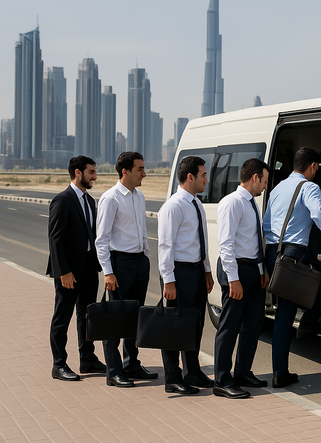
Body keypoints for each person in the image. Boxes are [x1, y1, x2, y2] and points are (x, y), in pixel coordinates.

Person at [263, 147, 321, 388]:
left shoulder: (278, 187)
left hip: (274, 253)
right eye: (317, 167)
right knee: (316, 280)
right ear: (312, 166)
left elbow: (266, 223)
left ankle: (282, 365)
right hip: (293, 254)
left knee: (283, 307)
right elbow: (318, 214)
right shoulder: (309, 187)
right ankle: (280, 371)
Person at [95, 151, 158, 388]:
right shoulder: (111, 198)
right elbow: (101, 240)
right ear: (125, 171)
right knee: (115, 318)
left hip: (140, 261)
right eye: (140, 169)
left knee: (136, 316)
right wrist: (108, 272)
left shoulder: (139, 196)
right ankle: (113, 370)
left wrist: (146, 258)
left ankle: (131, 363)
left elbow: (142, 231)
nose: (144, 173)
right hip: (120, 263)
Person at [213, 158, 271, 399]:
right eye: (265, 181)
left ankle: (242, 372)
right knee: (229, 326)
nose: (266, 186)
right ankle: (222, 380)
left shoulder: (251, 203)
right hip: (236, 270)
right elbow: (226, 244)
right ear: (255, 177)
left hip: (252, 271)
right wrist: (233, 278)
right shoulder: (232, 203)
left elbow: (252, 241)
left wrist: (262, 271)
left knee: (253, 324)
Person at [157, 156, 215, 395]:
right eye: (203, 175)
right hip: (178, 273)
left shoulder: (197, 204)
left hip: (196, 271)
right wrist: (168, 280)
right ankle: (172, 377)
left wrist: (207, 270)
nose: (206, 179)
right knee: (174, 326)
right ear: (190, 177)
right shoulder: (173, 206)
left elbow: (202, 241)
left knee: (195, 324)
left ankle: (193, 371)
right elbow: (165, 246)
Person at [46, 156, 106, 381]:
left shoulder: (90, 201)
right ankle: (58, 364)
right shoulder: (62, 200)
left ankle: (87, 359)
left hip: (89, 270)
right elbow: (55, 240)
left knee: (87, 316)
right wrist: (63, 271)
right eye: (91, 172)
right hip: (69, 272)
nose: (95, 176)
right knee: (62, 318)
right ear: (78, 173)